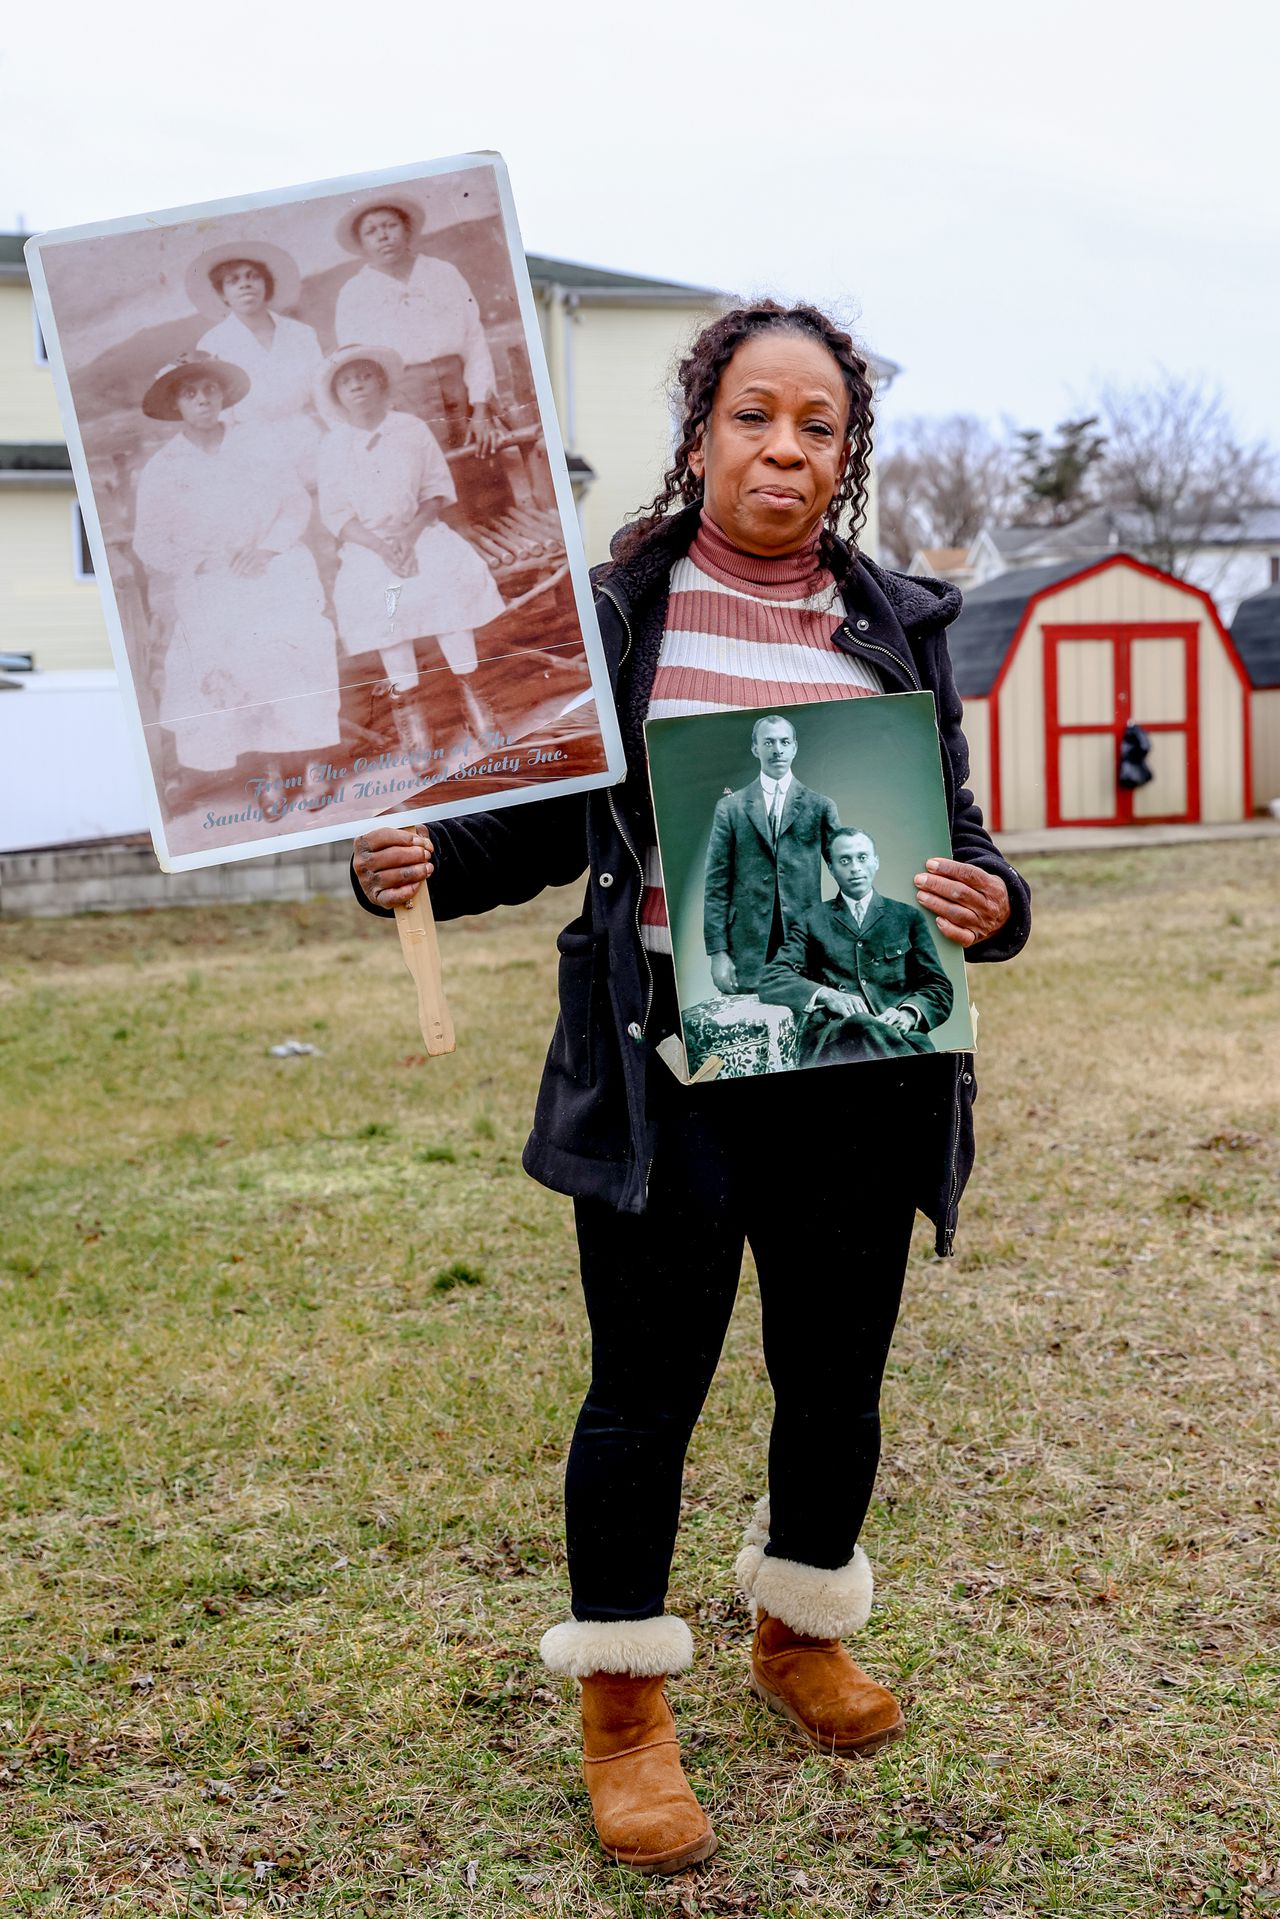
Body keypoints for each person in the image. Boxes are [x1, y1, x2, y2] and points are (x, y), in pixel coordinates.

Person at [349, 302, 1031, 1875]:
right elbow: (519, 830)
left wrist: (989, 903)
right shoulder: (613, 616)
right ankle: (624, 1712)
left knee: (837, 1377)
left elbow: (962, 843)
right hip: (671, 1082)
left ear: (845, 453)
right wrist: (417, 862)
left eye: (819, 425)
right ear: (701, 426)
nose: (785, 447)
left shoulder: (896, 622)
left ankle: (798, 1632)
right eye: (753, 415)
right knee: (644, 1391)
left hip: (858, 1075)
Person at [132, 352, 340, 793]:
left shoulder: (257, 441)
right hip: (212, 580)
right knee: (233, 655)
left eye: (209, 389)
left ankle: (314, 759)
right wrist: (199, 561)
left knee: (297, 641)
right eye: (190, 393)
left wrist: (266, 548)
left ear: (223, 394)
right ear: (176, 405)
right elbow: (148, 541)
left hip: (274, 563)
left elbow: (294, 503)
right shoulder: (164, 467)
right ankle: (268, 769)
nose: (203, 399)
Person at [314, 345, 505, 757]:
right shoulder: (332, 446)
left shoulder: (411, 428)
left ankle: (473, 693)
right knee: (384, 603)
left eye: (364, 376)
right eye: (346, 382)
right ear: (338, 396)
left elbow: (435, 491)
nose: (357, 386)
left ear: (381, 382)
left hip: (422, 532)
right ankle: (411, 712)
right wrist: (384, 546)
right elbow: (337, 515)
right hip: (368, 547)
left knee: (447, 581)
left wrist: (409, 534)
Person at [758, 827, 953, 1064]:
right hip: (835, 1044)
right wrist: (828, 996)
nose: (855, 868)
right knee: (862, 1024)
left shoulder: (907, 917)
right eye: (844, 860)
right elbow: (772, 978)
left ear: (876, 862)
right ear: (831, 868)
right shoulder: (811, 920)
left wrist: (908, 1014)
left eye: (862, 857)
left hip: (901, 1039)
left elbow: (939, 987)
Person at [332, 194, 501, 455]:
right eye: (371, 231)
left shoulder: (442, 273)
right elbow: (356, 363)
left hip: (461, 391)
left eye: (390, 225)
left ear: (407, 229)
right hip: (403, 403)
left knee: (484, 472)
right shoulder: (354, 294)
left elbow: (474, 340)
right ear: (361, 243)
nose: (383, 236)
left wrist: (480, 407)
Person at [702, 715, 841, 994]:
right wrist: (717, 953)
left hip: (806, 946)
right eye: (768, 742)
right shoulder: (731, 808)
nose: (777, 749)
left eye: (784, 742)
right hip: (748, 952)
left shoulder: (820, 807)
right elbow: (716, 886)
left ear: (794, 747)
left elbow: (849, 875)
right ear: (755, 749)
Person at [185, 241, 325, 484]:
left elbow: (323, 391)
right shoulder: (213, 343)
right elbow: (220, 412)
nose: (245, 284)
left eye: (253, 277)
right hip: (252, 451)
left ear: (266, 285)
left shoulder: (301, 333)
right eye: (233, 280)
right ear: (222, 294)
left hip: (308, 439)